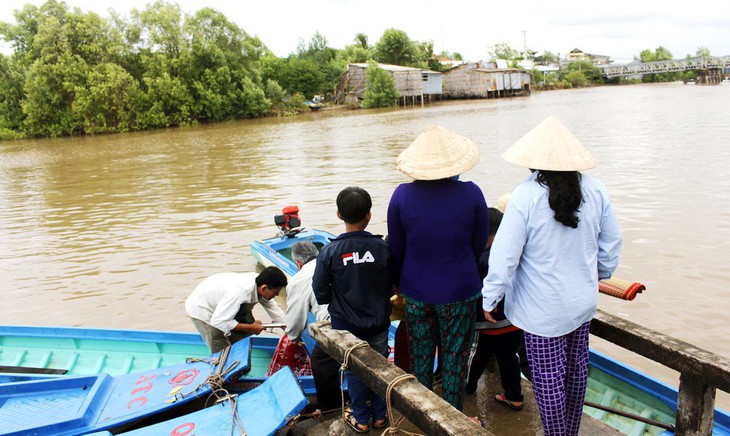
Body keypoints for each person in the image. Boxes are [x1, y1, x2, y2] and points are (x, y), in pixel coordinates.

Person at [482, 116, 623, 436]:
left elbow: (505, 256)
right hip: (582, 303)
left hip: (542, 311)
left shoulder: (524, 197)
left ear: (532, 163)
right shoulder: (596, 189)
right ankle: (568, 433)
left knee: (548, 383)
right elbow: (612, 244)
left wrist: (490, 297)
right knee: (576, 375)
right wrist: (597, 274)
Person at [387, 125, 489, 412]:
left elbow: (397, 247)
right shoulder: (471, 193)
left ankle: (425, 416)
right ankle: (452, 419)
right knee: (455, 359)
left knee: (421, 358)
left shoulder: (401, 196)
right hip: (461, 290)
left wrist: (398, 283)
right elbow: (478, 243)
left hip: (417, 291)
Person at [312, 186, 392, 433]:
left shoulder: (330, 251)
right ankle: (380, 416)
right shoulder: (382, 248)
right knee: (379, 367)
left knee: (354, 372)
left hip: (346, 326)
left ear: (338, 215)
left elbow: (320, 292)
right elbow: (393, 283)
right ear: (369, 215)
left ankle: (362, 419)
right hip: (379, 323)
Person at [467, 207, 525, 411]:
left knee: (478, 355)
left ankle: (469, 385)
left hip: (486, 323)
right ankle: (514, 396)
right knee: (510, 359)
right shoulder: (512, 255)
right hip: (512, 321)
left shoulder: (480, 259)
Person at [285, 241, 341, 411]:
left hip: (336, 323)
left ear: (298, 263)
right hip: (359, 315)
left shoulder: (299, 279)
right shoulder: (332, 260)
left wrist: (292, 338)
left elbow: (295, 318)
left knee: (320, 362)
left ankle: (330, 409)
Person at [185, 266, 287, 354]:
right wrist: (251, 327)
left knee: (242, 338)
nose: (277, 295)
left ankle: (239, 358)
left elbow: (275, 311)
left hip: (222, 302)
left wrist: (290, 332)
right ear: (264, 288)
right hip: (203, 309)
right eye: (275, 292)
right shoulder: (239, 293)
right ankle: (224, 371)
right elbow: (218, 321)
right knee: (220, 344)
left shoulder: (260, 282)